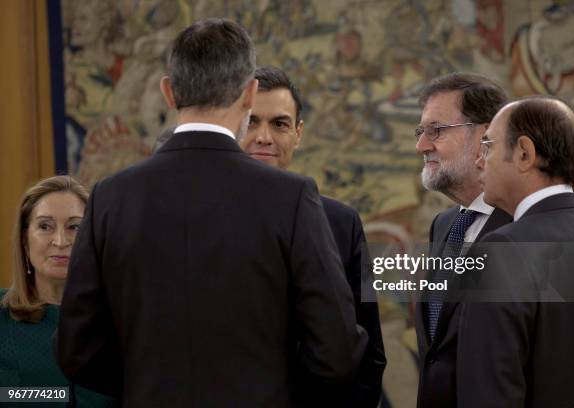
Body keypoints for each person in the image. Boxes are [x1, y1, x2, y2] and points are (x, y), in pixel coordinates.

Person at [56, 19, 367, 407]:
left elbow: (76, 350)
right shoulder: (291, 197)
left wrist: (147, 383)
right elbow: (337, 352)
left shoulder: (109, 197)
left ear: (168, 92)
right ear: (250, 93)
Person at [237, 65, 386, 407]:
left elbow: (369, 351)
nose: (264, 137)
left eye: (279, 124)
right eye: (251, 121)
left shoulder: (341, 222)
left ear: (298, 133)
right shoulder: (203, 213)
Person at [457, 96, 574, 407]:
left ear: (525, 154)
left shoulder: (500, 251)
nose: (478, 160)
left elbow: (488, 393)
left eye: (488, 146)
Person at [413, 72, 511, 407]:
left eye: (435, 131)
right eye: (421, 132)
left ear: (485, 136)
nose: (421, 145)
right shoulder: (443, 225)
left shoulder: (525, 229)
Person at [0, 175, 115, 407]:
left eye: (74, 227)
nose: (61, 241)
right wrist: (58, 395)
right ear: (25, 241)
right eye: (45, 226)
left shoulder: (121, 318)